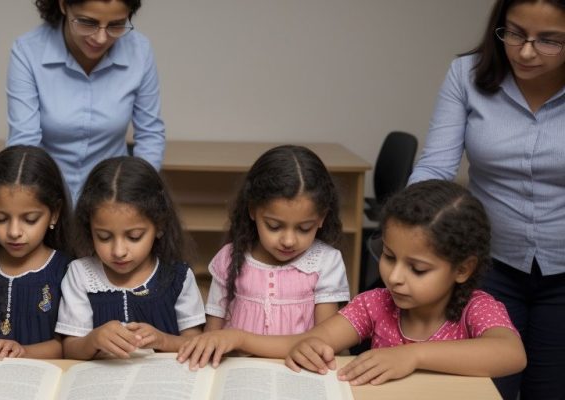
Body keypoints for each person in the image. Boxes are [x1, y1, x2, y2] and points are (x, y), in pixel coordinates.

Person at [178, 180, 526, 387]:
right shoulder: (376, 304)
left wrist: (413, 355)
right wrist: (242, 337)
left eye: (417, 269)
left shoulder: (476, 308)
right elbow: (313, 339)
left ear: (463, 269)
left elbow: (511, 354)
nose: (395, 277)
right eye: (389, 257)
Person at [407, 1, 565, 397]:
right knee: (486, 388)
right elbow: (435, 167)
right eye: (514, 33)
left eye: (548, 40)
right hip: (490, 266)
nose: (525, 51)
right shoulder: (467, 74)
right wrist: (406, 226)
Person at [7, 0, 165, 202]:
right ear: (64, 5)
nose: (100, 38)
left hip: (112, 198)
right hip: (47, 194)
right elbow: (24, 145)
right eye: (87, 23)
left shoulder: (139, 51)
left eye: (116, 25)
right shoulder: (28, 51)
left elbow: (150, 133)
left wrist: (134, 194)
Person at [57, 156, 204, 360]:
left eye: (134, 237)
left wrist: (163, 340)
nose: (118, 251)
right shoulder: (80, 274)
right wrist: (93, 340)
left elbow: (195, 342)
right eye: (104, 237)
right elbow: (70, 349)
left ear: (159, 226)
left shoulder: (177, 277)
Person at [204, 145, 348, 335]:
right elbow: (211, 335)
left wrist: (243, 342)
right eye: (274, 226)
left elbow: (323, 341)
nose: (288, 241)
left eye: (304, 228)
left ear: (321, 218)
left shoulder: (326, 262)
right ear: (252, 210)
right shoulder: (230, 258)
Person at [0, 145, 73, 359]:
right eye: (0, 219)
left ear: (54, 214)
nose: (14, 232)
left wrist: (22, 352)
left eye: (30, 220)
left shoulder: (68, 270)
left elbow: (67, 346)